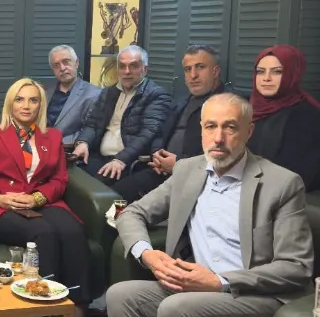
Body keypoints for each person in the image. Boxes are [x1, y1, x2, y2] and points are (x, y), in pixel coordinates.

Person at [107, 93, 314, 317]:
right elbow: (132, 213)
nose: (218, 138)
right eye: (210, 126)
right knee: (120, 296)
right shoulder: (187, 170)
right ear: (201, 130)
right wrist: (147, 254)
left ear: (249, 132)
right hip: (194, 286)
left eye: (230, 127)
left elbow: (296, 267)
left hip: (253, 295)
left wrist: (219, 281)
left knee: (176, 309)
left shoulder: (282, 184)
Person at [0, 78, 91, 317]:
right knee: (43, 232)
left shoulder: (52, 136)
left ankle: (75, 314)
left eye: (33, 100)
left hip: (40, 202)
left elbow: (59, 180)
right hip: (2, 208)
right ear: (10, 103)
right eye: (20, 99)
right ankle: (44, 310)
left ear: (41, 105)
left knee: (73, 231)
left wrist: (38, 198)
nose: (26, 106)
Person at [112, 45, 230, 202]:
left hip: (198, 180)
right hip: (161, 172)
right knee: (113, 196)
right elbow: (160, 133)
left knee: (124, 203)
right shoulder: (180, 103)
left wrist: (179, 164)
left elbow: (224, 156)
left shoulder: (229, 106)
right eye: (187, 69)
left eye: (200, 67)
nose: (193, 75)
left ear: (215, 72)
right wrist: (157, 154)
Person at [71, 46, 171, 185]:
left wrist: (121, 159)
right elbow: (92, 123)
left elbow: (148, 134)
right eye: (122, 66)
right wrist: (83, 142)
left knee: (91, 186)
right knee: (65, 174)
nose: (127, 71)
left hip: (128, 162)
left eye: (133, 66)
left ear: (145, 69)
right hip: (98, 156)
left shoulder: (156, 95)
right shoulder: (108, 93)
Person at [247, 45, 320, 192]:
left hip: (283, 196)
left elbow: (303, 175)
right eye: (260, 71)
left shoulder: (308, 116)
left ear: (293, 74)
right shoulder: (248, 109)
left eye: (277, 72)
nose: (266, 78)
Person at [46, 45, 101, 145]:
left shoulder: (94, 94)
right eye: (56, 65)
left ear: (77, 63)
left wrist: (54, 142)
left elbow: (90, 130)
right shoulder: (45, 93)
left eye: (66, 62)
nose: (62, 68)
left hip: (69, 149)